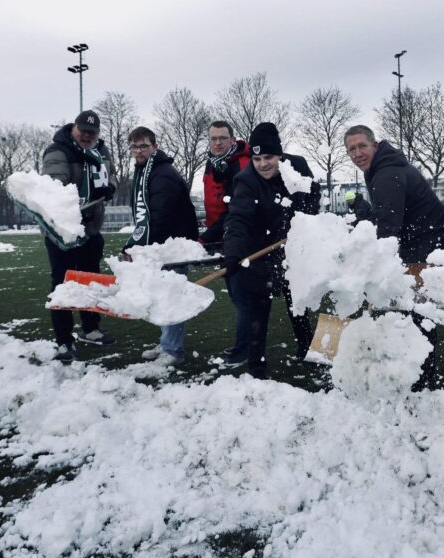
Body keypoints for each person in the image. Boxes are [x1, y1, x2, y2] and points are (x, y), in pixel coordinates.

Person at [344, 124, 444, 389]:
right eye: (351, 149)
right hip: (422, 237)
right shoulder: (382, 168)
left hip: (426, 242)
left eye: (362, 146)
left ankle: (424, 376)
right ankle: (418, 364)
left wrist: (373, 265)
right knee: (413, 307)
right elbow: (387, 219)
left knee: (418, 308)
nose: (357, 153)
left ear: (375, 145)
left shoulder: (386, 175)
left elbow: (388, 232)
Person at [223, 123, 320, 379]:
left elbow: (313, 194)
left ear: (280, 155)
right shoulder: (245, 180)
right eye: (256, 158)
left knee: (296, 300)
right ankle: (256, 363)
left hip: (293, 246)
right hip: (260, 247)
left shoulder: (297, 166)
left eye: (268, 157)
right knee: (259, 306)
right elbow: (238, 220)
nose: (263, 164)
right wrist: (232, 253)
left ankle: (306, 345)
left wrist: (303, 222)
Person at [121, 126, 200, 365]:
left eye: (143, 146)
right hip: (164, 245)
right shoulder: (148, 171)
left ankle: (173, 350)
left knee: (171, 297)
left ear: (154, 147)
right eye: (134, 146)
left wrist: (134, 247)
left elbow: (160, 218)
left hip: (173, 247)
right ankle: (167, 342)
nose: (138, 151)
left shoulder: (161, 173)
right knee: (163, 296)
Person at [41, 110, 116, 362]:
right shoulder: (58, 151)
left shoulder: (101, 151)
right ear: (74, 127)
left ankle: (90, 329)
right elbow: (53, 184)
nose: (87, 136)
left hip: (91, 227)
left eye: (92, 133)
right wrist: (68, 196)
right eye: (83, 131)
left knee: (90, 279)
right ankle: (64, 341)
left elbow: (110, 174)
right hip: (62, 230)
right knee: (63, 283)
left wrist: (110, 186)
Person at [199, 120, 251, 367]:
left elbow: (234, 209)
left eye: (222, 138)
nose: (217, 143)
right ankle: (244, 343)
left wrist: (206, 235)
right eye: (213, 138)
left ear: (232, 139)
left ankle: (245, 349)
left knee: (242, 296)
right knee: (235, 294)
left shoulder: (240, 163)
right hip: (221, 237)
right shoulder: (213, 163)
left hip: (239, 238)